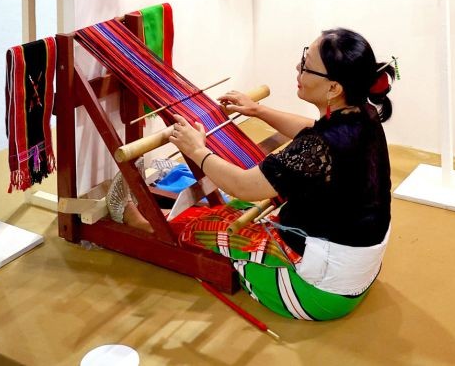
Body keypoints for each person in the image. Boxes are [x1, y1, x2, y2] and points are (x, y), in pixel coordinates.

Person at [166, 28, 396, 321]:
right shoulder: (361, 113)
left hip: (318, 293)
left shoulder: (318, 148)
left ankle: (145, 225)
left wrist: (197, 150)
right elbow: (312, 130)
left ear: (333, 88)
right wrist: (258, 111)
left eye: (307, 64)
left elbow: (243, 185)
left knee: (202, 223)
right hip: (357, 272)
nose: (297, 68)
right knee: (238, 210)